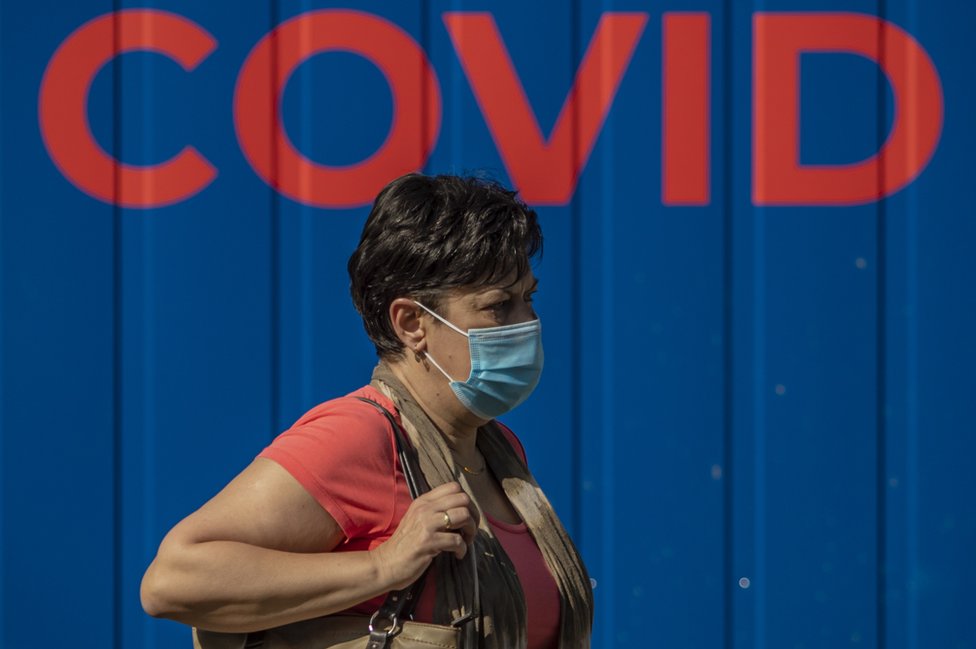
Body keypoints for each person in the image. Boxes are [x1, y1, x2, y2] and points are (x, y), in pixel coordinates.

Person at [140, 173, 594, 649]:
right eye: (499, 307)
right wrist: (384, 566)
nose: (528, 324)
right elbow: (172, 580)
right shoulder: (362, 436)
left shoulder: (497, 448)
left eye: (529, 298)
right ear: (412, 323)